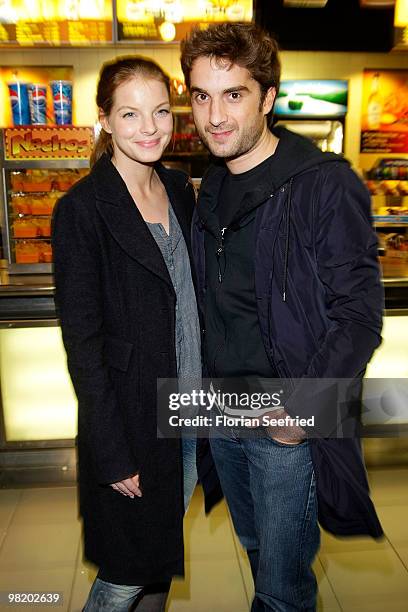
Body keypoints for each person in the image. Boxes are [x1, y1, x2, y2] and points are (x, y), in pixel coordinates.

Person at [180, 22, 384, 611]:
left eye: (234, 94)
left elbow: (360, 314)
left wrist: (304, 408)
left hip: (286, 422)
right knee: (257, 551)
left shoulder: (323, 185)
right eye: (201, 95)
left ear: (267, 98)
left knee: (281, 589)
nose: (215, 116)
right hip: (222, 412)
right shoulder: (212, 186)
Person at [52, 56, 200, 611]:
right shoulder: (82, 211)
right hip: (131, 420)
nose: (150, 127)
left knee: (157, 560)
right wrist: (112, 454)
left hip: (186, 411)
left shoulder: (180, 191)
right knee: (124, 576)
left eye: (160, 111)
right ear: (105, 121)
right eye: (131, 114)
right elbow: (83, 347)